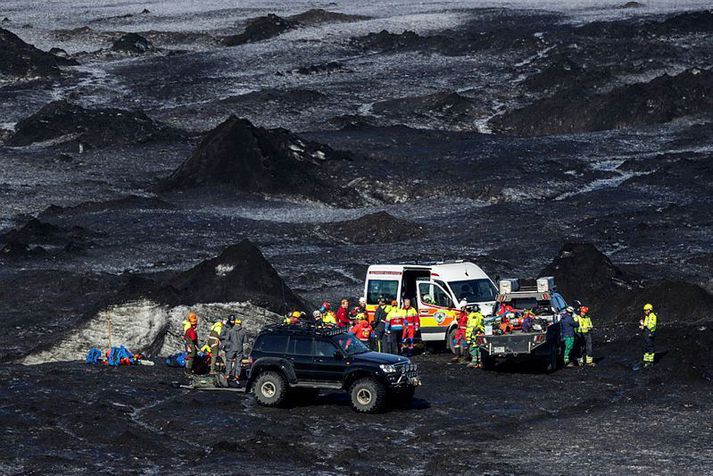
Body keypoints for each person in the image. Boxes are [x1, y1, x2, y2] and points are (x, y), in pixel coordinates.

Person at [220, 315, 247, 385]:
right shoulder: (243, 331)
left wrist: (225, 347)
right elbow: (245, 341)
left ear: (235, 323)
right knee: (238, 362)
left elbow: (226, 340)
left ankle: (227, 375)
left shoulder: (230, 330)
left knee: (229, 361)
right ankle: (237, 376)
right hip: (240, 349)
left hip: (231, 348)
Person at [640, 303, 657, 368]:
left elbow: (651, 326)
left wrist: (644, 326)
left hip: (650, 333)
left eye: (646, 310)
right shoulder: (647, 316)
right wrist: (642, 324)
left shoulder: (653, 316)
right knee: (645, 346)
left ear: (649, 310)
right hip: (646, 333)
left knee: (650, 346)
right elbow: (646, 324)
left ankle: (650, 362)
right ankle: (646, 360)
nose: (645, 311)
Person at [184, 312, 199, 376]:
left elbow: (185, 337)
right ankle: (189, 370)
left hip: (187, 345)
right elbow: (193, 338)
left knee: (189, 356)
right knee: (192, 357)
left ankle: (189, 369)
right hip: (191, 345)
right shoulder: (192, 331)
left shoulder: (188, 330)